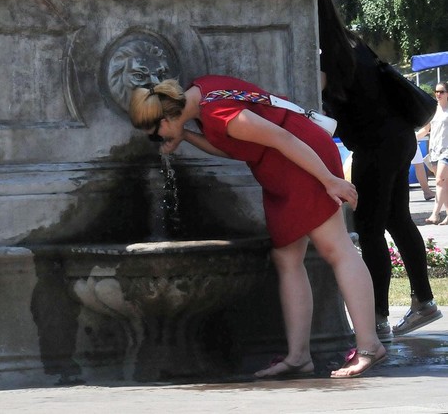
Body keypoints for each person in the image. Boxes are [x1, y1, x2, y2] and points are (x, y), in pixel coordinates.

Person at [130, 77, 386, 379]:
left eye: (155, 134)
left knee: (337, 250)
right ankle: (298, 357)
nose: (158, 140)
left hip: (302, 162)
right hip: (282, 168)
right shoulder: (202, 93)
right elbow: (235, 148)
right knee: (287, 259)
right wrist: (185, 136)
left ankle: (370, 346)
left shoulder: (218, 114)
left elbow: (282, 138)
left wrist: (329, 179)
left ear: (167, 116)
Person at [318, 0, 442, 341]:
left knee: (370, 230)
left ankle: (377, 319)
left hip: (375, 145)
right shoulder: (353, 43)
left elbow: (310, 101)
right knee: (398, 219)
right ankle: (424, 302)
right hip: (400, 137)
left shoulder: (327, 54)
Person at [419, 82, 448, 225]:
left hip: (447, 151)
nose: (438, 94)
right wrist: (410, 139)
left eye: (442, 91)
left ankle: (435, 214)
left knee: (439, 181)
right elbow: (425, 130)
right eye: (436, 91)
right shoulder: (433, 111)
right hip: (434, 151)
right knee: (444, 184)